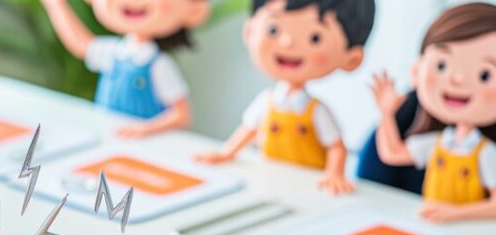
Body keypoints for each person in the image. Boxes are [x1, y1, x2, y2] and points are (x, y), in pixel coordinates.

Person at [371, 3, 496, 223]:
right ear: (417, 71)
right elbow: (392, 153)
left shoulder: (485, 152)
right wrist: (386, 113)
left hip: (470, 231)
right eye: (442, 66)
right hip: (430, 226)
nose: (457, 79)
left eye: (484, 75)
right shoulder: (438, 143)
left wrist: (454, 213)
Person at [196, 0, 375, 195]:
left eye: (315, 38)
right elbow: (248, 130)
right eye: (274, 30)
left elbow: (336, 147)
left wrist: (334, 175)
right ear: (249, 32)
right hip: (268, 178)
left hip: (308, 186)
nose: (287, 42)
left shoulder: (316, 111)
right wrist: (226, 153)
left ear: (352, 59)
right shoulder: (267, 102)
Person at [40, 0, 211, 137]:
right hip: (107, 134)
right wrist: (56, 5)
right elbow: (80, 44)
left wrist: (145, 129)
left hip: (143, 143)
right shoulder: (114, 51)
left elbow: (182, 114)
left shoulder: (158, 64)